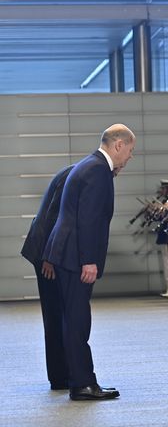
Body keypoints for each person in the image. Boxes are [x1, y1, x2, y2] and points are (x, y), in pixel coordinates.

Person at [43, 123, 135, 400]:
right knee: (78, 320)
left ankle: (79, 380)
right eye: (130, 151)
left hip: (66, 253)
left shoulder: (88, 165)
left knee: (73, 319)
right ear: (118, 145)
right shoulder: (97, 171)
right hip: (75, 257)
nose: (130, 157)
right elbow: (90, 220)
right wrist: (89, 261)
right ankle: (83, 383)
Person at [21, 165, 74, 390]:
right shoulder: (76, 177)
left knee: (56, 314)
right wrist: (50, 257)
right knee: (54, 315)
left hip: (45, 249)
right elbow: (55, 216)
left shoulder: (73, 172)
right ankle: (60, 377)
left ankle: (61, 373)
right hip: (45, 252)